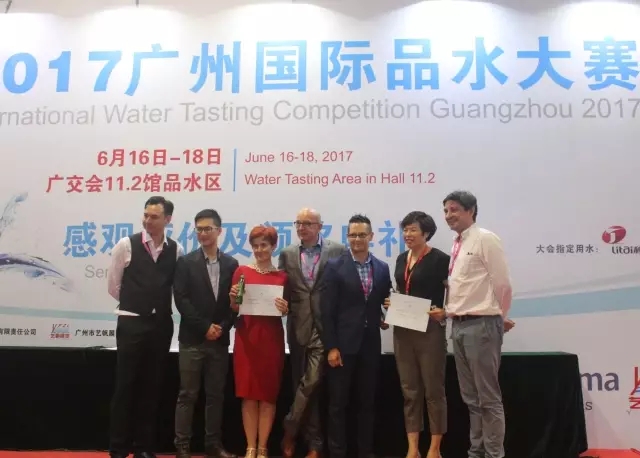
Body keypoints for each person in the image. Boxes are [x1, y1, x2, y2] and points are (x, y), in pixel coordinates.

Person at [432, 190, 515, 458]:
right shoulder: (458, 243)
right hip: (458, 326)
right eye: (446, 211)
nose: (448, 215)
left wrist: (498, 317)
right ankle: (476, 452)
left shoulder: (485, 239)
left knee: (488, 399)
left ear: (471, 210)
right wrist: (448, 312)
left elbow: (502, 284)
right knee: (471, 398)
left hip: (482, 325)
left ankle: (493, 454)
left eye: (454, 209)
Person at [107, 196, 184, 458]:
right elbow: (114, 285)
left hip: (160, 325)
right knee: (125, 385)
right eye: (146, 215)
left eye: (154, 217)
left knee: (152, 387)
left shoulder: (176, 249)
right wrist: (136, 303)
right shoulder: (126, 245)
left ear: (167, 219)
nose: (148, 221)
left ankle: (144, 447)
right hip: (131, 321)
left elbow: (175, 286)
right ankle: (118, 447)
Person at [320, 214, 392, 458]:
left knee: (367, 403)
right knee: (337, 404)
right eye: (353, 235)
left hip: (370, 344)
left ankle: (365, 451)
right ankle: (337, 453)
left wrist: (385, 316)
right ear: (347, 237)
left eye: (362, 234)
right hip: (342, 346)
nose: (357, 239)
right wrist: (331, 346)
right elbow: (326, 310)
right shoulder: (334, 266)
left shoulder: (382, 268)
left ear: (371, 236)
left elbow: (382, 303)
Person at [278, 207, 346, 458]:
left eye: (307, 223)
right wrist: (280, 304)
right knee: (304, 385)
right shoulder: (287, 254)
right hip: (297, 325)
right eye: (298, 223)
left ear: (320, 226)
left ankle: (290, 427)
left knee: (312, 380)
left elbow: (344, 287)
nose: (302, 227)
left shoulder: (337, 250)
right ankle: (314, 444)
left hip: (325, 326)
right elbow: (282, 289)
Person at [173, 209, 239, 458]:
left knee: (215, 396)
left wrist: (222, 326)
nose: (203, 234)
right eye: (199, 229)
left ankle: (213, 445)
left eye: (207, 229)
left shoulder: (232, 264)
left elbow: (235, 303)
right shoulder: (185, 263)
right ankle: (182, 446)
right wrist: (204, 327)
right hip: (192, 339)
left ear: (219, 231)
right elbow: (182, 300)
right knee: (187, 395)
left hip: (219, 340)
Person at [384, 211, 449, 458]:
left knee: (433, 390)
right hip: (403, 329)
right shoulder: (401, 258)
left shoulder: (441, 259)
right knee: (409, 390)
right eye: (405, 229)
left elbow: (455, 291)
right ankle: (412, 448)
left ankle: (434, 448)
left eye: (413, 230)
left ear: (426, 233)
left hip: (429, 330)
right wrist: (393, 303)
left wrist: (446, 311)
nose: (407, 234)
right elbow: (402, 289)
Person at [230, 225, 290, 458]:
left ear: (273, 246)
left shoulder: (283, 276)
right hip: (247, 338)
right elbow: (234, 308)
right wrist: (233, 300)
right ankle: (250, 446)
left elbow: (287, 310)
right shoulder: (241, 272)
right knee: (248, 394)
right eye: (255, 246)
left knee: (267, 395)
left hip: (271, 340)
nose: (259, 250)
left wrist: (285, 308)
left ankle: (263, 446)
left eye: (264, 245)